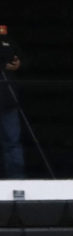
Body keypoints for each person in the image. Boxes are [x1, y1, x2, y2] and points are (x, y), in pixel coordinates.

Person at [0, 24, 24, 178]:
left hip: (7, 100)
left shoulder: (6, 39)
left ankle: (17, 181)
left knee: (12, 142)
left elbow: (23, 57)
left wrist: (19, 63)